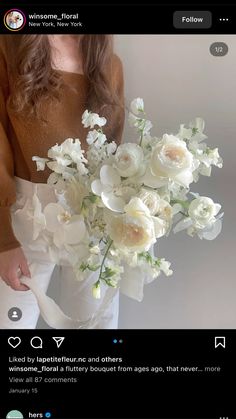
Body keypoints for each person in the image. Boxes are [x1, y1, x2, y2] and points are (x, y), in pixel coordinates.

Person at [0, 35, 125, 329]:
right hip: (24, 224)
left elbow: (114, 155)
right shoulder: (9, 49)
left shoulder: (110, 64)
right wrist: (4, 240)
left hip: (94, 228)